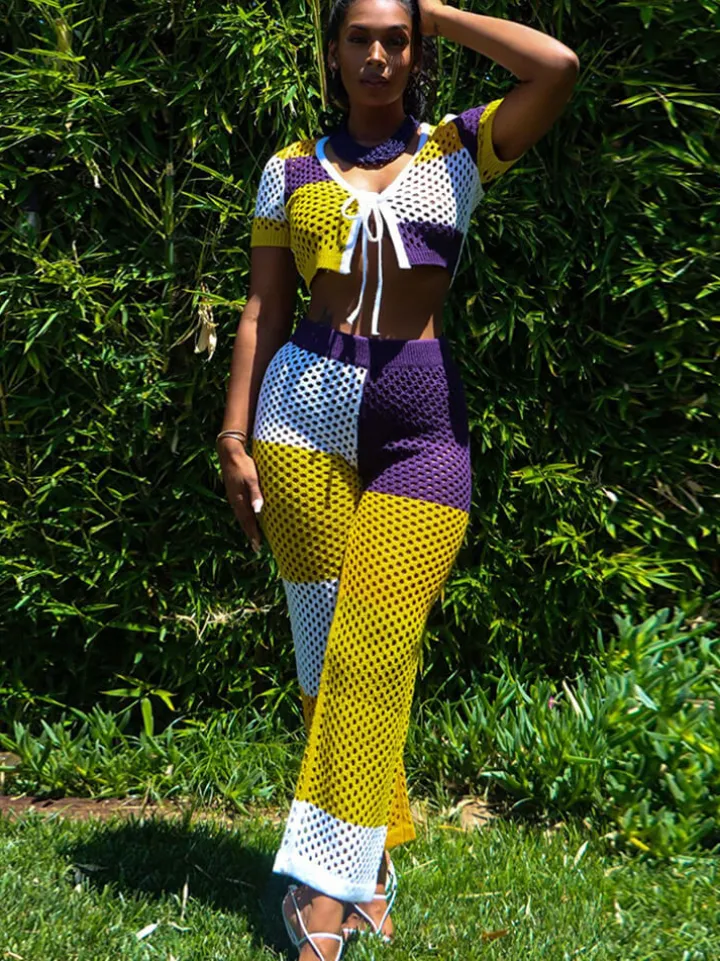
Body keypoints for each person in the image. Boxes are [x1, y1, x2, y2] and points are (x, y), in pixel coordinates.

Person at [217, 1, 579, 957]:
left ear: (417, 50)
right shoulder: (288, 169)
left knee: (374, 643)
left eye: (396, 38)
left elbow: (556, 67)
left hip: (423, 425)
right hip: (300, 416)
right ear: (332, 51)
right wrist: (233, 432)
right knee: (320, 652)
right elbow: (262, 310)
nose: (376, 55)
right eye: (359, 37)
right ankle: (370, 853)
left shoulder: (458, 149)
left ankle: (318, 883)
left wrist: (439, 9)